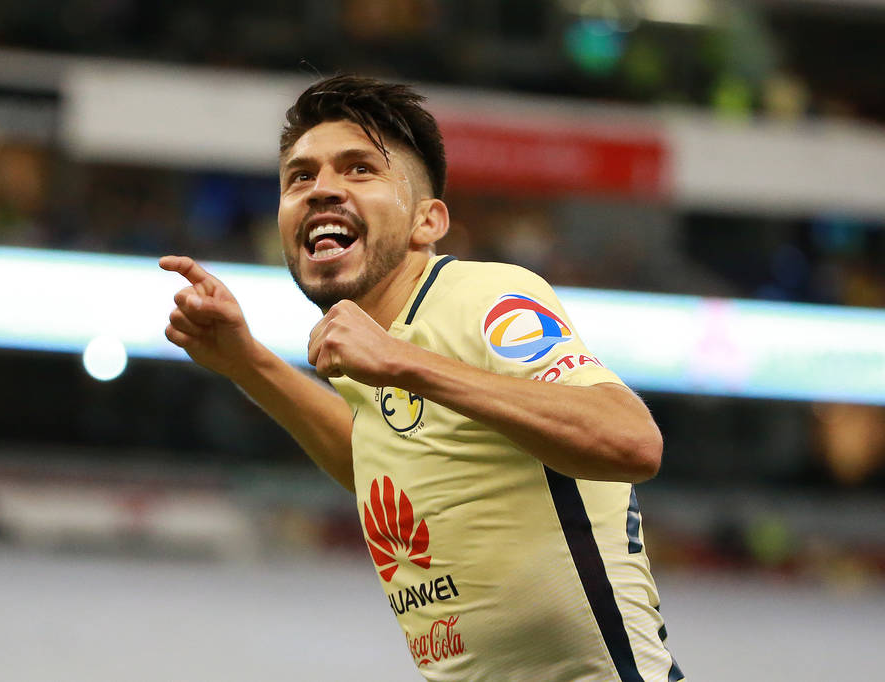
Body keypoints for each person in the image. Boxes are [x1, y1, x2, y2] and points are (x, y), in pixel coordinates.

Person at [160, 75, 684, 682]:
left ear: (426, 222)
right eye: (300, 177)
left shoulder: (485, 297)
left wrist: (401, 362)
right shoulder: (369, 354)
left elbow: (632, 441)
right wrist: (246, 361)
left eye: (359, 169)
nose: (321, 188)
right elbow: (380, 464)